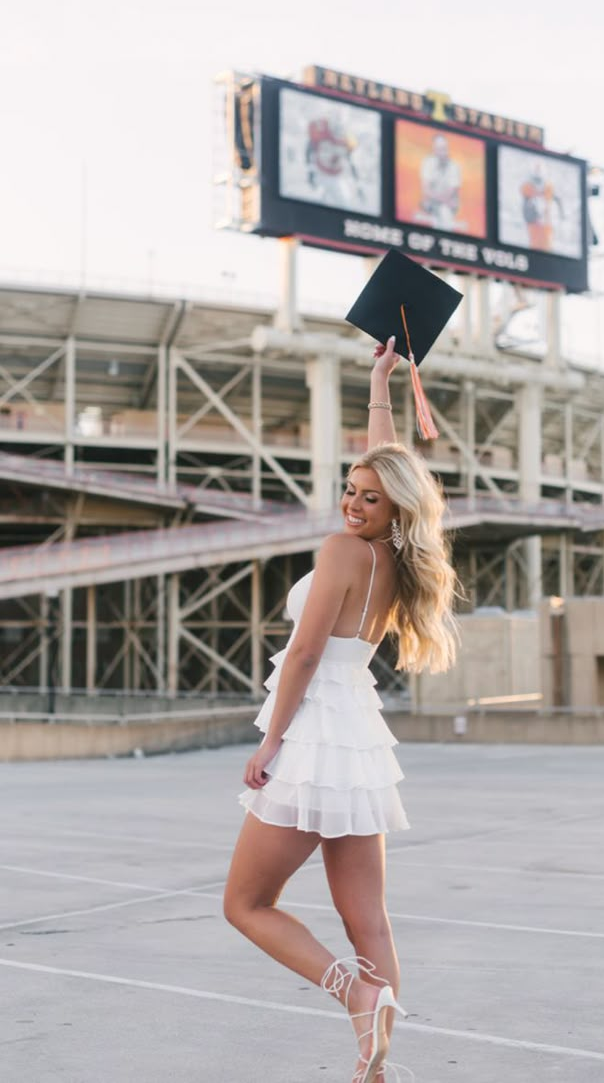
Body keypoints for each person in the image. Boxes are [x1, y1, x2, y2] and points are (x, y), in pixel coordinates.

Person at [223, 336, 459, 1082]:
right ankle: (377, 1057)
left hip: (316, 729)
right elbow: (390, 467)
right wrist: (379, 385)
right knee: (369, 918)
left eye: (366, 497)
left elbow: (301, 654)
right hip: (359, 737)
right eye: (348, 490)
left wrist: (270, 744)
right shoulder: (394, 554)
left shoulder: (340, 550)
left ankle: (353, 990)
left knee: (246, 902)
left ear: (389, 507)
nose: (353, 502)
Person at [416, 133, 463, 231]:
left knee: (444, 211)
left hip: (448, 206)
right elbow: (426, 189)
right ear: (434, 149)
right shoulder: (428, 163)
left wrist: (442, 200)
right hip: (432, 203)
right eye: (439, 149)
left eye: (444, 148)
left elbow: (451, 192)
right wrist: (439, 200)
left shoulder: (454, 166)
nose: (442, 152)